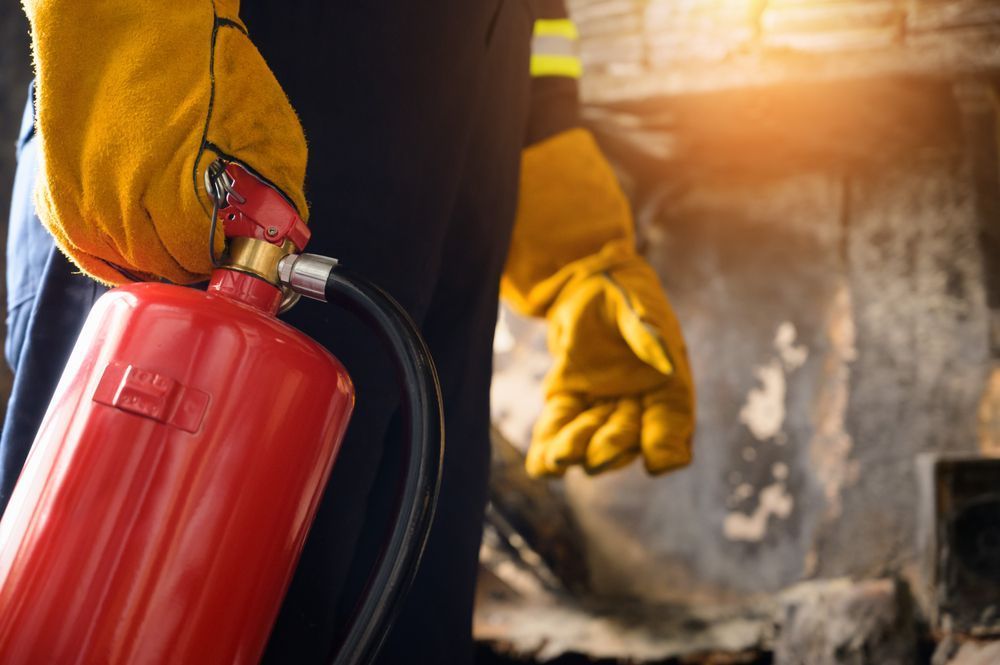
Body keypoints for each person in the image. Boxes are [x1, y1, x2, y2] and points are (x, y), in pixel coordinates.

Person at [2, 0, 694, 662]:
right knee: (116, 611)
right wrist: (134, 28)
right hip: (207, 118)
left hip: (452, 168)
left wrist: (571, 237)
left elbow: (535, 29)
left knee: (398, 611)